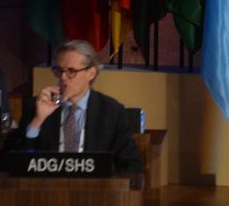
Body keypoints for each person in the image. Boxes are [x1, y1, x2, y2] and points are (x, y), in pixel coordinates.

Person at [15, 40, 142, 173]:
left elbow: (131, 166)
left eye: (71, 71)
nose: (63, 77)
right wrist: (37, 121)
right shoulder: (37, 106)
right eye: (59, 70)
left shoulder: (112, 112)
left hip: (94, 190)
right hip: (47, 188)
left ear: (91, 73)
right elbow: (15, 163)